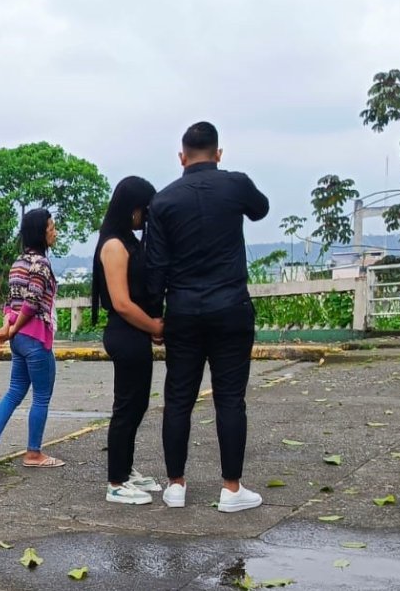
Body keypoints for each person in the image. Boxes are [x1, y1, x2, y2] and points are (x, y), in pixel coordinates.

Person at [145, 121, 269, 513]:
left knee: (178, 398)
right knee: (230, 399)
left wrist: (155, 317)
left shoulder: (162, 202)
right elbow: (261, 209)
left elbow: (155, 267)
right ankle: (231, 488)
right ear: (218, 153)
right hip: (230, 306)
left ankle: (176, 484)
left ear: (181, 157)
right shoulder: (236, 184)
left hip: (182, 310)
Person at [92, 177, 164, 505]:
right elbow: (121, 302)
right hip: (124, 331)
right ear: (131, 208)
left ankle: (126, 468)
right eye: (142, 211)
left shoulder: (129, 241)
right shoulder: (113, 246)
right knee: (126, 406)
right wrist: (154, 326)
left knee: (138, 404)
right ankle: (115, 482)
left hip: (135, 332)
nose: (144, 217)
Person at [0, 209, 64, 468]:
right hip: (36, 337)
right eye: (51, 227)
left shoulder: (18, 263)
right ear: (41, 231)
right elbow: (32, 302)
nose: (54, 231)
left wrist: (9, 328)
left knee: (15, 391)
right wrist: (14, 329)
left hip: (19, 341)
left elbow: (10, 303)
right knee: (41, 397)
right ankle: (33, 453)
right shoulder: (41, 264)